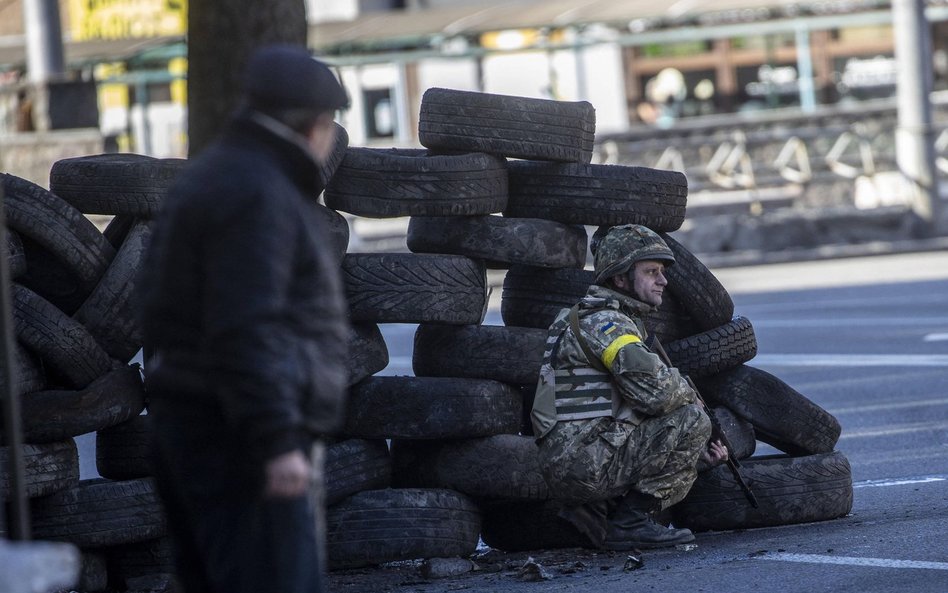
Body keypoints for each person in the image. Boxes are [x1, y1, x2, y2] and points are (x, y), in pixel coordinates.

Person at [139, 45, 350, 593]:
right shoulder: (257, 193)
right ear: (315, 125)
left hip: (198, 423)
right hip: (240, 442)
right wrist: (278, 440)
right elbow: (246, 326)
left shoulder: (216, 174)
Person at [530, 224, 728, 551]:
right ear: (619, 279)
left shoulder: (581, 316)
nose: (662, 280)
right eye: (651, 272)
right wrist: (687, 394)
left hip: (571, 456)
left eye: (662, 272)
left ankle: (592, 512)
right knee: (693, 420)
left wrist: (694, 458)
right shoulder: (608, 324)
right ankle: (631, 524)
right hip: (584, 460)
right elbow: (659, 394)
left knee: (682, 423)